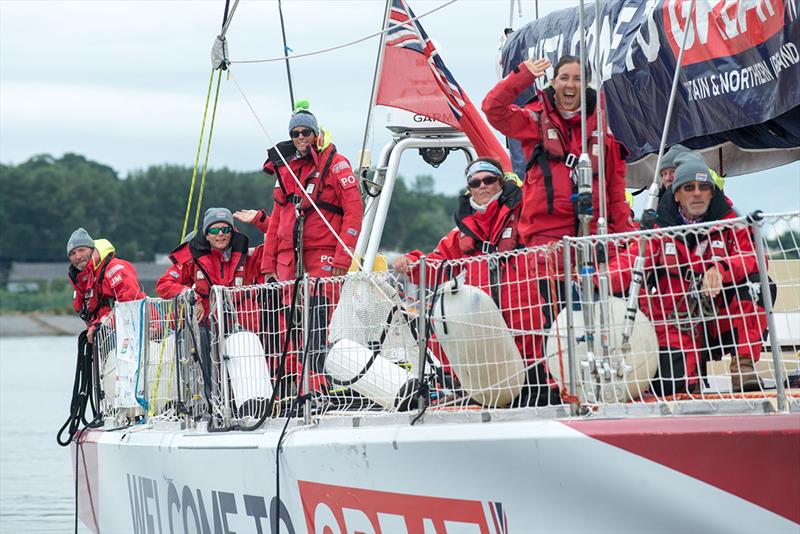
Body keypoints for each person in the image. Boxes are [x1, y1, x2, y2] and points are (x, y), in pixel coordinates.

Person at [393, 158, 556, 406]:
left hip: (529, 328)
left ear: (501, 182)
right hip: (488, 335)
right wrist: (411, 264)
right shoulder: (463, 233)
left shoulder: (526, 217)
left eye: (489, 180)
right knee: (495, 394)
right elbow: (437, 265)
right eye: (476, 182)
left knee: (540, 398)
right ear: (469, 188)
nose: (483, 186)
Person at [609, 153, 769, 394]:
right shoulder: (659, 228)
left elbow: (756, 257)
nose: (697, 193)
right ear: (676, 194)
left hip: (720, 316)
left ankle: (743, 366)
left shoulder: (730, 222)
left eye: (704, 187)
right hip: (675, 319)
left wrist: (721, 268)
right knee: (671, 387)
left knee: (757, 285)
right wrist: (595, 279)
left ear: (712, 192)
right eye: (688, 187)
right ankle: (688, 387)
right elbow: (632, 260)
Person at [259, 105, 364, 388]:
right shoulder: (289, 170)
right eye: (295, 133)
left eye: (306, 132)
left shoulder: (336, 164)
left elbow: (354, 210)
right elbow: (276, 223)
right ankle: (294, 385)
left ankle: (318, 386)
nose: (301, 137)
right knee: (290, 327)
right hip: (289, 261)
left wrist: (344, 255)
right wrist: (268, 265)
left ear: (316, 134)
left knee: (317, 322)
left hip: (324, 256)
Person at [482, 55, 634, 249]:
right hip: (546, 240)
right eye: (564, 77)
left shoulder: (603, 130)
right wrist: (522, 76)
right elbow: (492, 109)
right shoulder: (534, 121)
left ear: (587, 84)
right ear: (553, 82)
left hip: (595, 236)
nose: (570, 84)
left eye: (577, 79)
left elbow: (616, 191)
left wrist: (627, 241)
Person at [156, 208, 262, 328]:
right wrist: (191, 296)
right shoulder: (192, 261)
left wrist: (260, 220)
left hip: (243, 332)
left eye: (226, 229)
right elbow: (163, 285)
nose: (220, 234)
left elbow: (280, 245)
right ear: (206, 235)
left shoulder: (249, 257)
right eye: (215, 230)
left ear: (232, 233)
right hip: (206, 331)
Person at [67, 228, 144, 343]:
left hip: (136, 336)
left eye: (81, 250)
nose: (78, 256)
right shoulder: (82, 281)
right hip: (107, 341)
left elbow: (131, 305)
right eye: (73, 253)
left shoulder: (114, 268)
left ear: (92, 251)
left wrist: (102, 325)